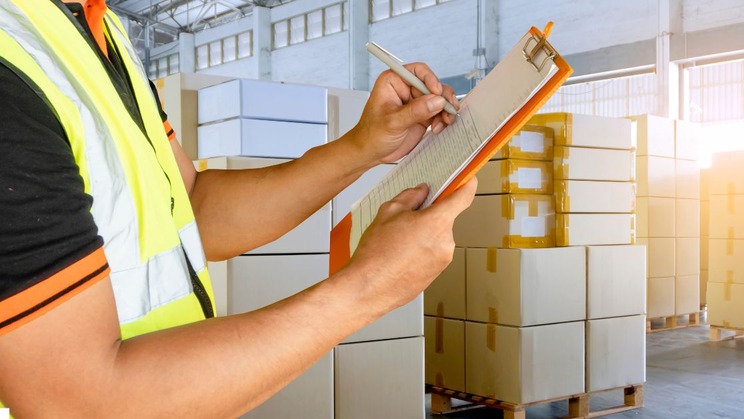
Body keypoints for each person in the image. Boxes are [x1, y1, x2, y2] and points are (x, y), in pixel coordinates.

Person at [0, 0, 476, 416]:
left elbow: (192, 205)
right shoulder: (12, 66)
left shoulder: (97, 31)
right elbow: (77, 404)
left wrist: (363, 146)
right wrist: (369, 287)